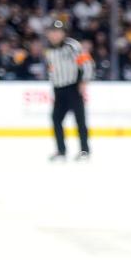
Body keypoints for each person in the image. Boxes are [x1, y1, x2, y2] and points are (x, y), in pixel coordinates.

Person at [45, 19, 94, 161]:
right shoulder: (50, 50)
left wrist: (84, 81)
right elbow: (52, 69)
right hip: (58, 89)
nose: (55, 35)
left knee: (80, 120)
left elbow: (87, 63)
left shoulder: (72, 46)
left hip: (73, 87)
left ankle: (85, 150)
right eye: (53, 32)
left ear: (63, 33)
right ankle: (61, 151)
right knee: (56, 119)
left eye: (58, 32)